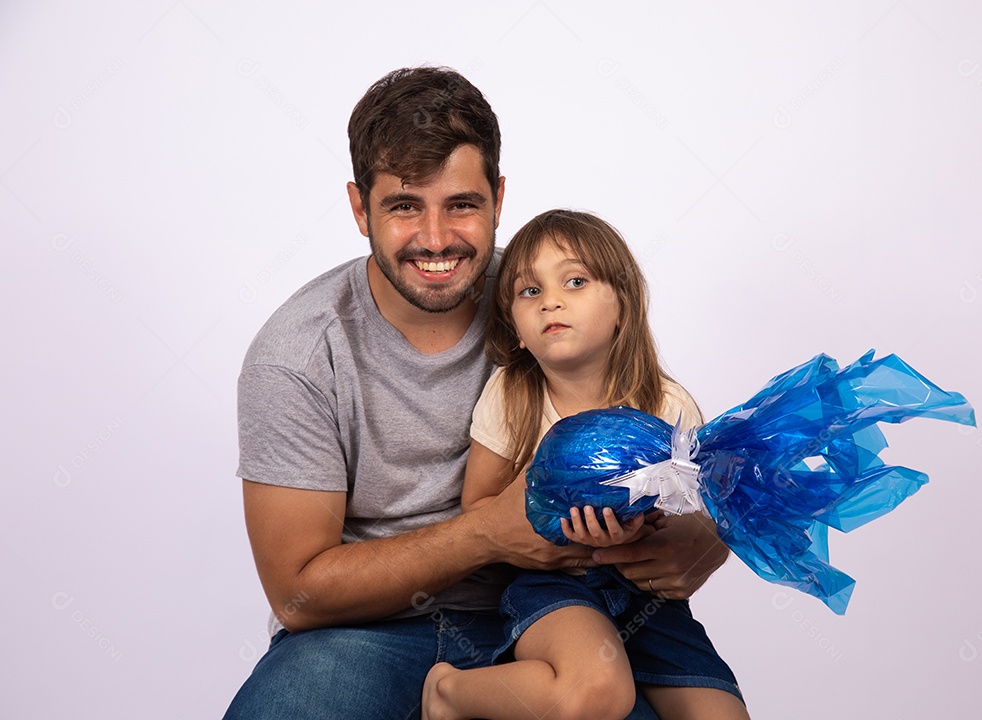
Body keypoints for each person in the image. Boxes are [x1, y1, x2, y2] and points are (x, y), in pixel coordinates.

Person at [224, 66, 730, 720]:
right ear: (359, 208)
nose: (436, 239)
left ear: (497, 197)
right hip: (359, 632)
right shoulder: (298, 353)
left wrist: (705, 538)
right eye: (404, 206)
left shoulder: (545, 297)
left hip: (566, 619)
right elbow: (298, 595)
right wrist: (486, 534)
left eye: (461, 205)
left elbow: (661, 436)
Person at [420, 210, 749, 720]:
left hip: (648, 595)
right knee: (596, 693)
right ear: (517, 329)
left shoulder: (666, 406)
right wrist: (550, 523)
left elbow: (695, 514)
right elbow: (478, 505)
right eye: (530, 291)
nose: (550, 300)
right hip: (553, 585)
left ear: (623, 306)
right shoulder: (512, 394)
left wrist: (645, 532)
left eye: (575, 281)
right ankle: (449, 692)